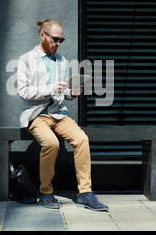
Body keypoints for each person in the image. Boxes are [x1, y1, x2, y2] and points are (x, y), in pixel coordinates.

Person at [17, 19, 108, 211]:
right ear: (43, 35)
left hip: (58, 113)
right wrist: (50, 88)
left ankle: (85, 193)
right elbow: (24, 92)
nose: (58, 44)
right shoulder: (26, 60)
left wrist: (71, 93)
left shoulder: (61, 60)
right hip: (37, 115)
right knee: (51, 143)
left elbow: (61, 91)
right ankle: (46, 193)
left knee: (82, 139)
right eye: (55, 39)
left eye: (61, 40)